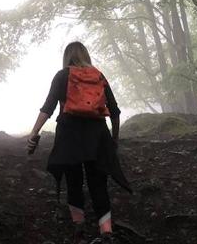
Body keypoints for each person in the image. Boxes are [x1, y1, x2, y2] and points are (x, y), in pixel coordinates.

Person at [26, 41, 131, 244]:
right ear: (86, 55)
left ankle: (79, 229)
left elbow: (48, 107)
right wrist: (114, 139)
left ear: (67, 57)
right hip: (98, 135)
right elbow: (115, 111)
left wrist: (34, 132)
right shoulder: (98, 76)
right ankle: (106, 231)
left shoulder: (62, 75)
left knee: (73, 181)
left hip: (69, 135)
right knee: (98, 183)